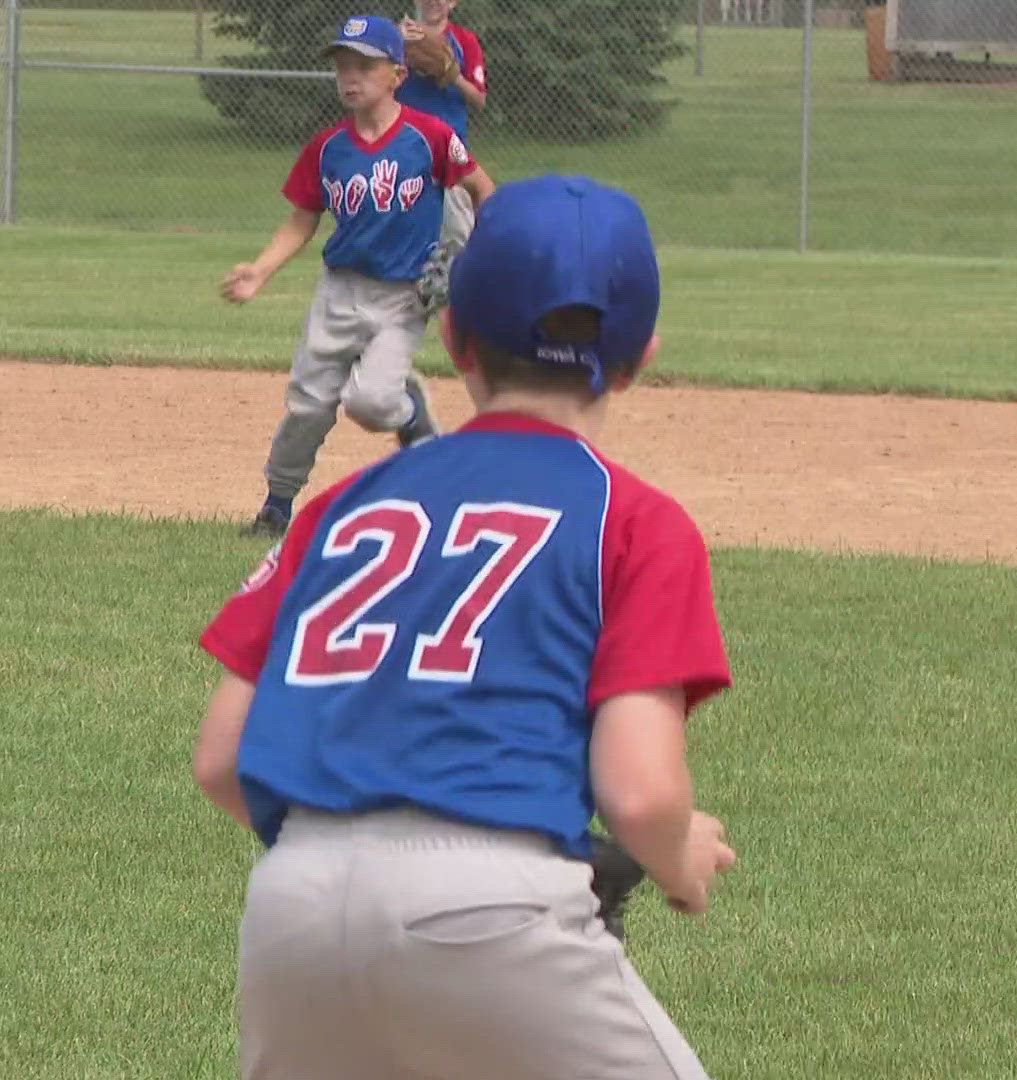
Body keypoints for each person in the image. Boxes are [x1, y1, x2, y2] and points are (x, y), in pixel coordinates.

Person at [193, 173, 738, 1079]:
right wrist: (680, 858)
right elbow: (639, 794)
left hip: (291, 911)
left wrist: (357, 856)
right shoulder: (633, 520)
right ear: (642, 353)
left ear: (452, 340)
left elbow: (222, 760)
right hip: (493, 907)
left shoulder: (338, 508)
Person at [222, 14, 496, 539]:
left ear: (397, 75)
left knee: (370, 403)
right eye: (343, 66)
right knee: (308, 404)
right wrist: (260, 270)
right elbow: (303, 218)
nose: (350, 77)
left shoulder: (430, 137)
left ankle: (408, 410)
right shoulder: (328, 148)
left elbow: (482, 189)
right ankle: (277, 504)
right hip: (340, 292)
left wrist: (481, 250)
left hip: (402, 297)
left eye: (365, 67)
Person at [397, 0, 488, 248]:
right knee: (403, 234)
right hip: (402, 147)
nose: (434, 2)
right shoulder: (396, 38)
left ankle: (457, 283)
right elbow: (375, 86)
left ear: (453, 2)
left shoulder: (464, 40)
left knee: (456, 237)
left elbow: (479, 99)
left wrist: (452, 75)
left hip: (449, 149)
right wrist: (395, 47)